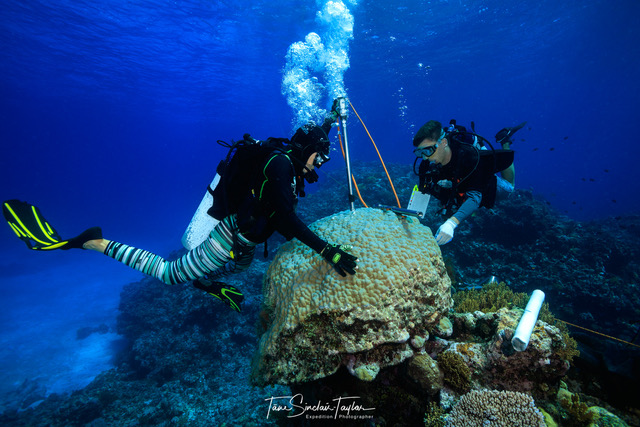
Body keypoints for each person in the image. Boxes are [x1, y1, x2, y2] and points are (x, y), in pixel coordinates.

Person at [3, 108, 358, 312]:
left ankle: (210, 283)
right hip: (231, 232)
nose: (322, 163)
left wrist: (329, 117)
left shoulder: (293, 160)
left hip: (246, 239)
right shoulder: (281, 167)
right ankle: (93, 242)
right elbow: (285, 218)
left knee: (240, 266)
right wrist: (328, 251)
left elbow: (312, 144)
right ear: (307, 148)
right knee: (171, 274)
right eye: (321, 155)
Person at [412, 119, 525, 245]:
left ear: (443, 142)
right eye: (420, 152)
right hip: (459, 188)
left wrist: (451, 223)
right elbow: (423, 190)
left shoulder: (469, 158)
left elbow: (475, 198)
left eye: (427, 150)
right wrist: (412, 218)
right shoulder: (426, 164)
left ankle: (504, 141)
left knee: (509, 188)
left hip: (483, 183)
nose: (424, 157)